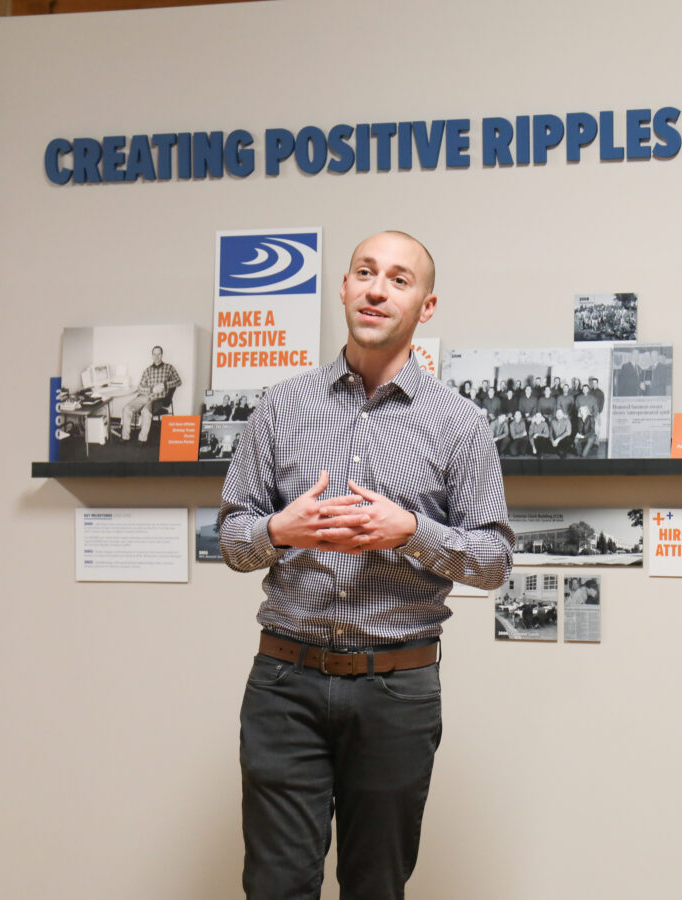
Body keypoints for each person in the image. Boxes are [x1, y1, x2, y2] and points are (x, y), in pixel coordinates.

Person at [218, 231, 513, 900]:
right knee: (274, 885)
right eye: (365, 273)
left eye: (398, 279)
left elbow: (493, 558)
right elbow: (234, 537)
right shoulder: (281, 406)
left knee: (375, 887)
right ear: (345, 288)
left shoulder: (460, 424)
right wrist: (279, 529)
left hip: (396, 691)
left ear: (426, 306)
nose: (377, 289)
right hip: (284, 684)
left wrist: (411, 530)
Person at [119, 345, 182, 442]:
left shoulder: (169, 368)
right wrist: (151, 389)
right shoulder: (148, 370)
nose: (156, 357)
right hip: (145, 396)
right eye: (154, 354)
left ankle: (142, 439)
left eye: (159, 354)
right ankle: (125, 437)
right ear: (152, 356)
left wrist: (164, 385)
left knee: (145, 411)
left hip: (158, 399)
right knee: (126, 408)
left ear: (162, 355)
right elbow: (140, 387)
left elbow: (178, 381)